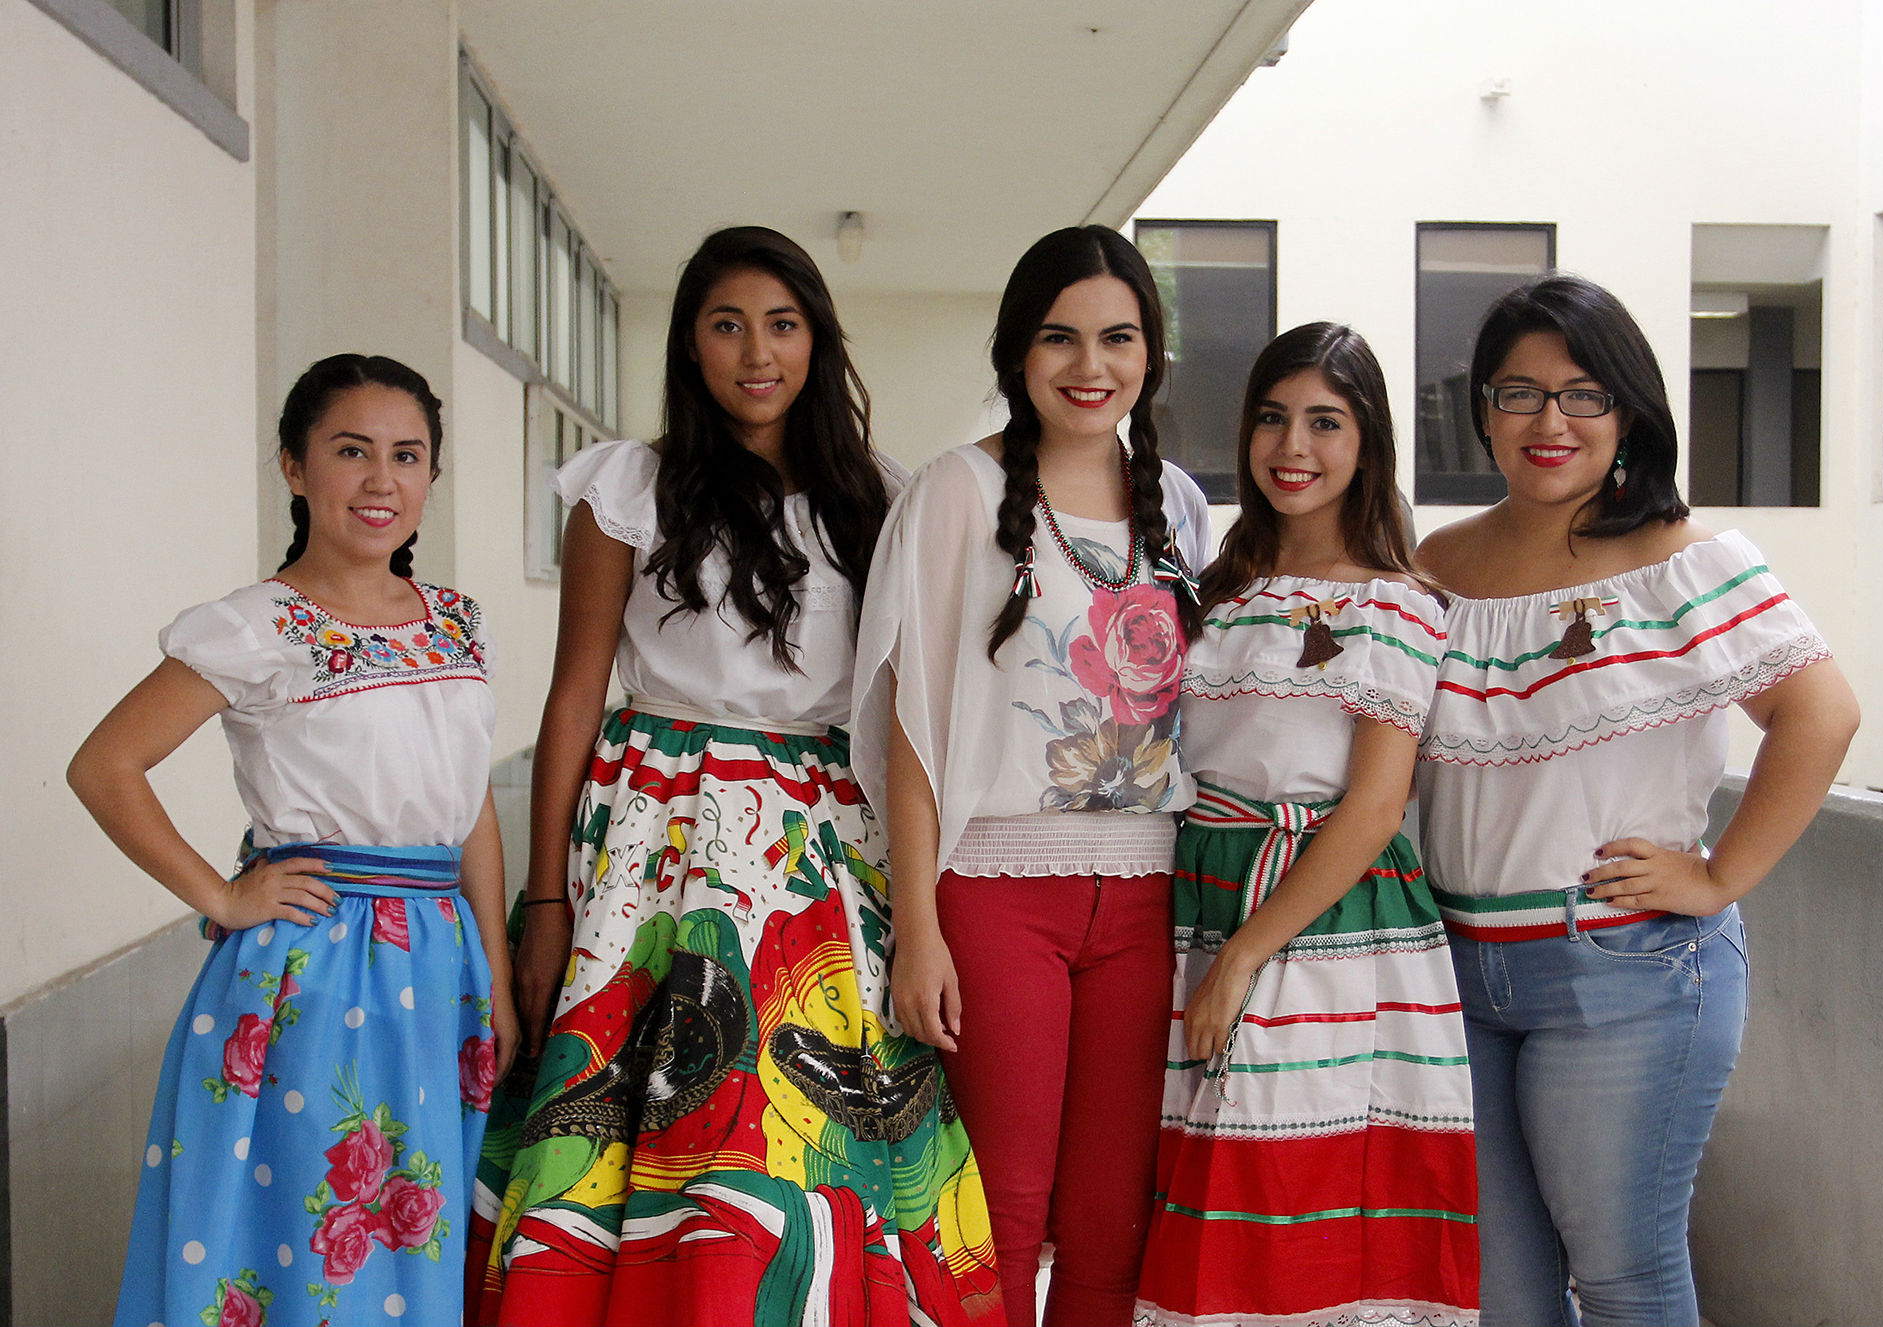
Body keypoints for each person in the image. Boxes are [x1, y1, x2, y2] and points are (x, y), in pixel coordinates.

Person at [476, 226, 998, 1327]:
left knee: (803, 1122)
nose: (753, 351)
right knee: (639, 1124)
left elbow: (910, 712)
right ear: (689, 345)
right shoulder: (628, 486)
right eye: (724, 324)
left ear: (816, 338)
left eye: (780, 322)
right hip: (651, 847)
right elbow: (573, 694)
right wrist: (541, 900)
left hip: (821, 854)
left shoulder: (883, 498)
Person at [1415, 274, 1860, 1326]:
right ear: (1481, 409)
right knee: (1499, 1296)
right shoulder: (1436, 566)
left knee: (1621, 1276)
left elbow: (1820, 714)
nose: (1548, 421)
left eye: (1582, 393)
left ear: (1629, 410)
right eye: (1516, 393)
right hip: (1454, 974)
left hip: (1623, 971)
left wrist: (1714, 876)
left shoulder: (1684, 561)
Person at [72, 354, 516, 1327]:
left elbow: (468, 799)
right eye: (350, 451)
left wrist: (498, 968)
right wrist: (225, 897)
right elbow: (104, 766)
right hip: (314, 968)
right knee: (310, 1237)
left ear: (432, 476)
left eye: (406, 456)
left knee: (422, 1230)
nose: (380, 481)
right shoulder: (257, 625)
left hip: (442, 965)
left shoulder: (456, 622)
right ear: (294, 465)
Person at [852, 224, 1212, 1327]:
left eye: (1116, 338)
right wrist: (919, 924)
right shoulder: (955, 494)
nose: (1087, 365)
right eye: (1058, 338)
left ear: (1150, 355)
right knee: (1002, 1211)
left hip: (1151, 897)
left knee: (1111, 1219)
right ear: (1016, 352)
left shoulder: (1185, 508)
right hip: (996, 899)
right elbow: (909, 728)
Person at [1135, 323, 1478, 1327]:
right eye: (1273, 418)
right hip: (1195, 899)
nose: (1294, 445)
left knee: (1290, 1208)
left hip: (1317, 931)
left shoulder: (1398, 604)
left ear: (1366, 442)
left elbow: (1374, 809)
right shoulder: (1210, 590)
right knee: (1194, 1208)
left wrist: (1242, 956)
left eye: (1325, 422)